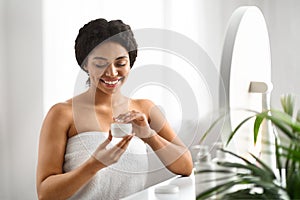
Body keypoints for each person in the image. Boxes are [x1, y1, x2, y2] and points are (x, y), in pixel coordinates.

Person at [36, 18, 193, 200]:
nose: (111, 73)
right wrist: (94, 165)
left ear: (130, 63)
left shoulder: (145, 109)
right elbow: (45, 194)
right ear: (85, 64)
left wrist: (149, 136)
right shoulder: (63, 114)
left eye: (120, 63)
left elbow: (186, 166)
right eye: (100, 63)